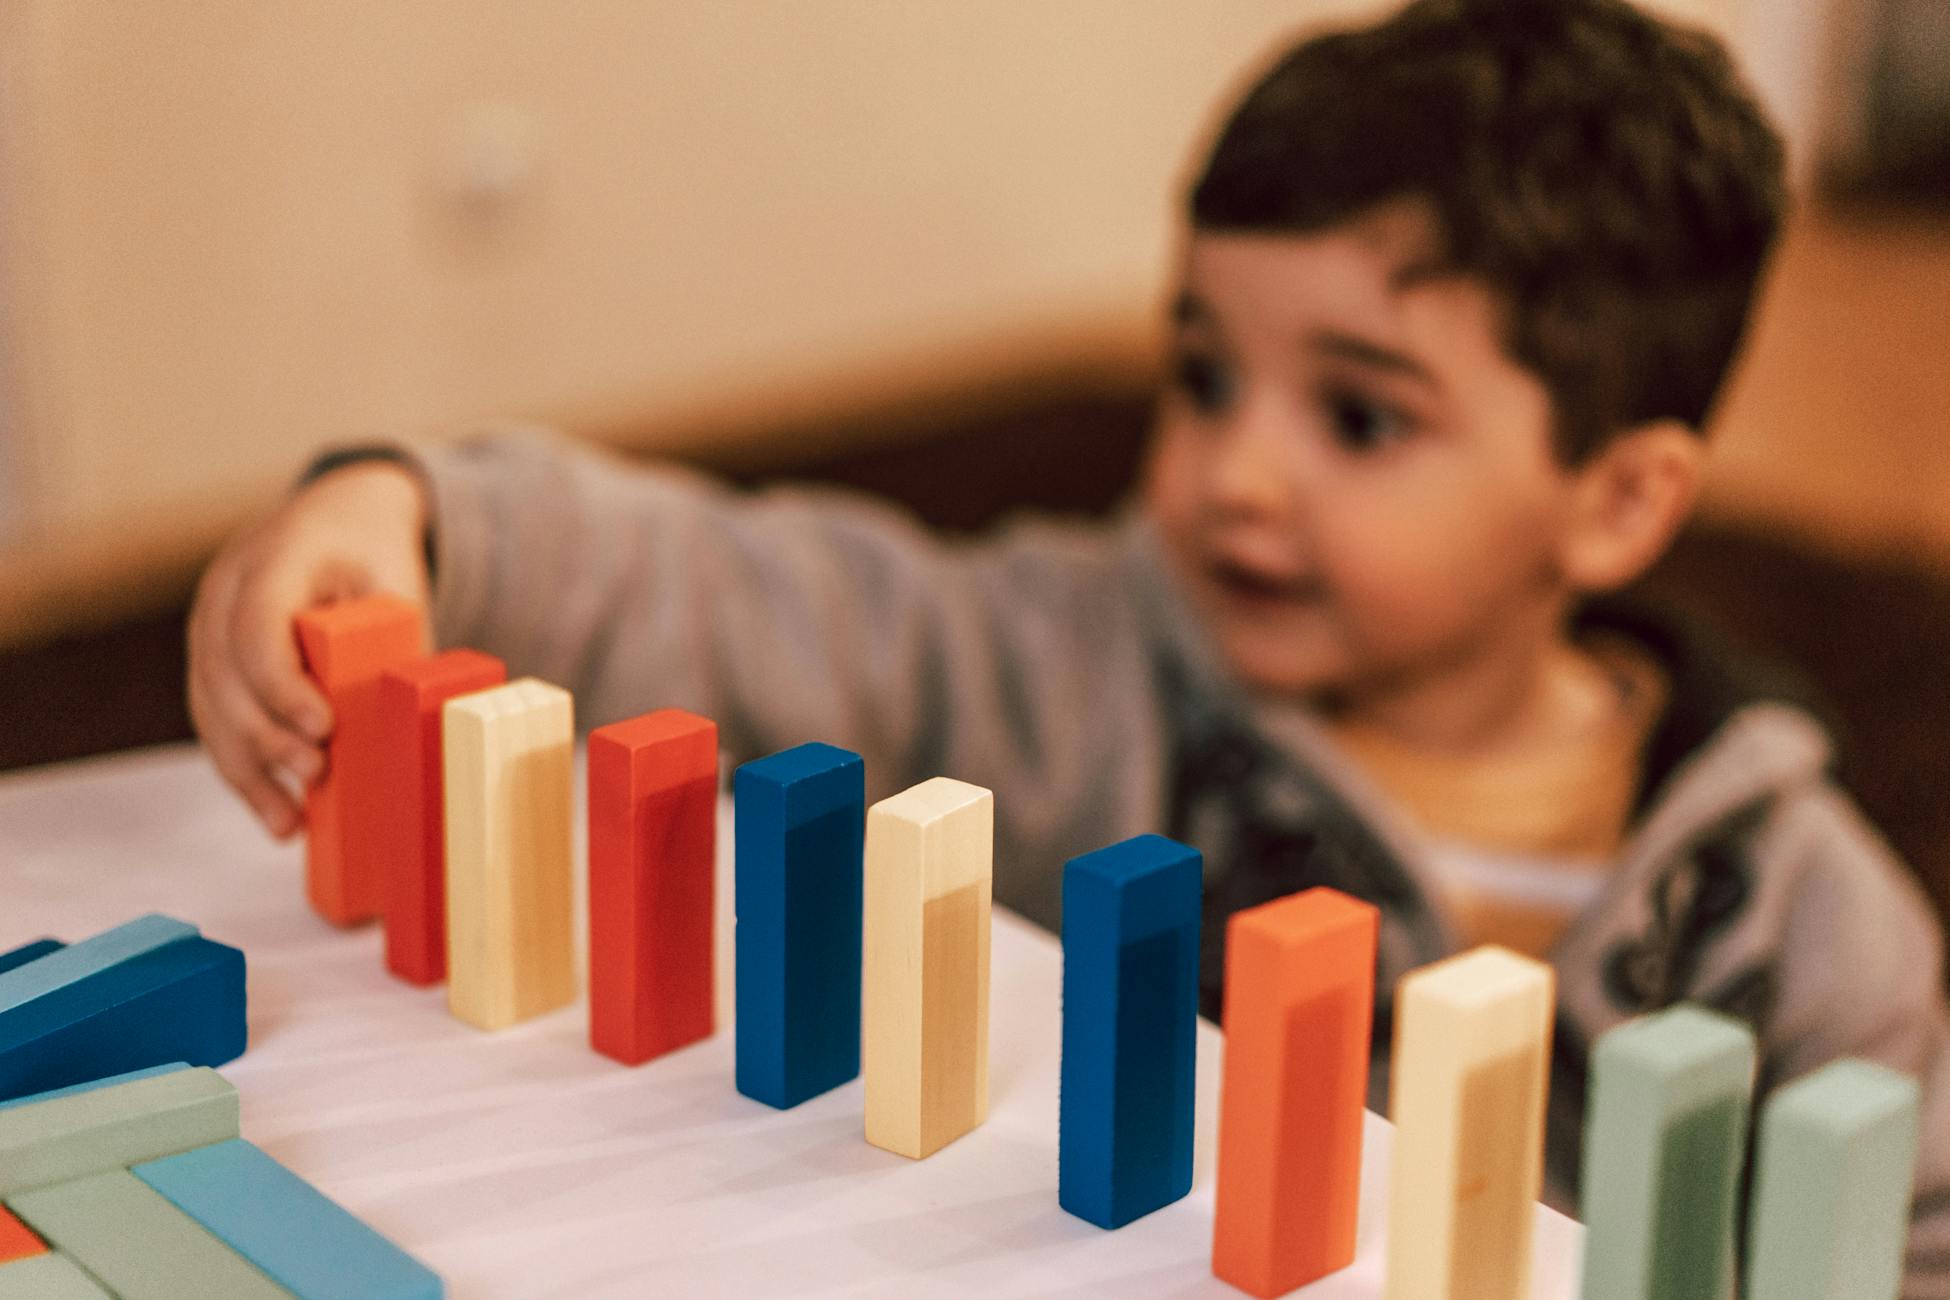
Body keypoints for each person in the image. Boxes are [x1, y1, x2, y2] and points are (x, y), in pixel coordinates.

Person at [187, 0, 1950, 1282]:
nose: (1230, 473)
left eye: (1357, 419)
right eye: (1199, 375)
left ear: (1619, 502)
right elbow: (750, 586)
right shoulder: (1074, 660)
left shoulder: (1803, 913)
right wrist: (403, 507)